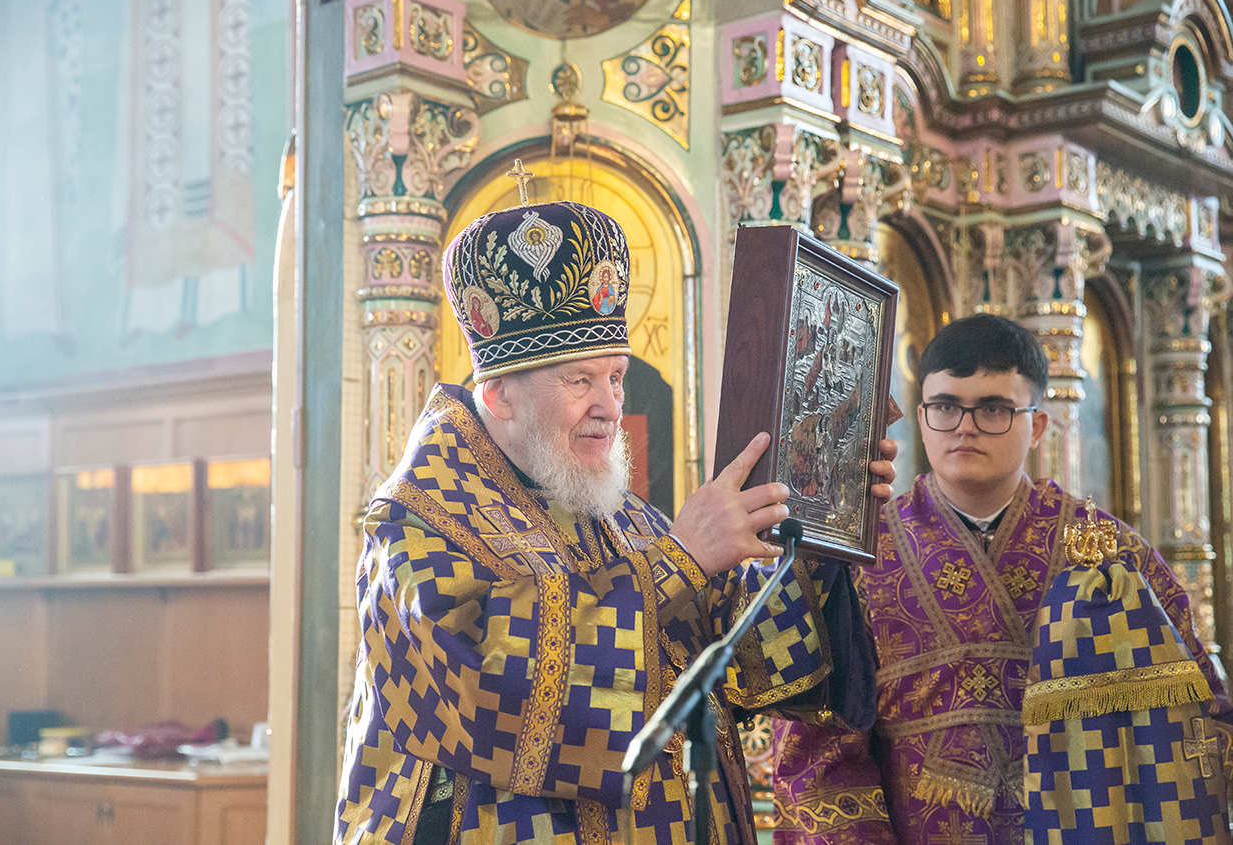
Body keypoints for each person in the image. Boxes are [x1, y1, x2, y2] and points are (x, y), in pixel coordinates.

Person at [333, 195, 897, 845]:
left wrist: (814, 515)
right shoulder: (417, 523)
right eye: (580, 380)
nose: (609, 405)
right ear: (500, 394)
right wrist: (680, 560)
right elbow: (492, 688)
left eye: (617, 377)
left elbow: (741, 664)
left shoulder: (619, 516)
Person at [769, 313, 1233, 845]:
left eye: (993, 408)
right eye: (945, 406)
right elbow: (820, 749)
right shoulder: (862, 560)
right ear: (921, 417)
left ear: (1037, 426)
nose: (964, 426)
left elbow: (1196, 716)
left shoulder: (1112, 554)